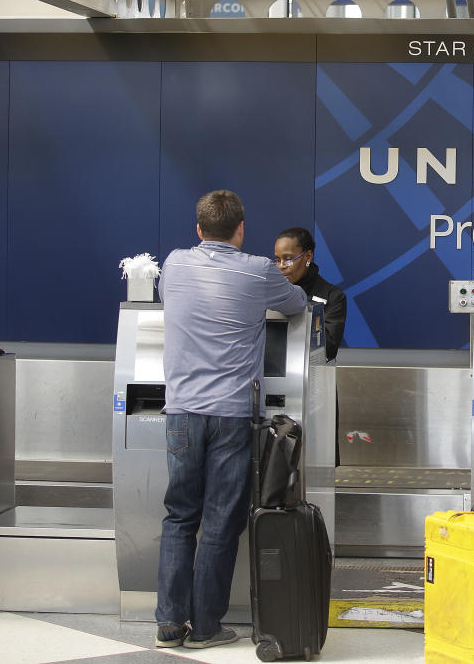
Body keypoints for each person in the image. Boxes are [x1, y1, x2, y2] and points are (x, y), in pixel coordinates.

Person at [155, 190, 307, 649]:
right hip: (231, 415)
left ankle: (168, 623)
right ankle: (205, 628)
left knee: (180, 516)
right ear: (241, 229)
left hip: (181, 412)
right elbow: (298, 303)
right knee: (221, 521)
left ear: (199, 230)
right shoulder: (259, 270)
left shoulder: (175, 264)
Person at [274, 226, 347, 361]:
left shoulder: (333, 296)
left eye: (288, 259)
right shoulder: (271, 294)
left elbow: (328, 349)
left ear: (308, 256)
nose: (281, 266)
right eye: (278, 260)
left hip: (314, 377)